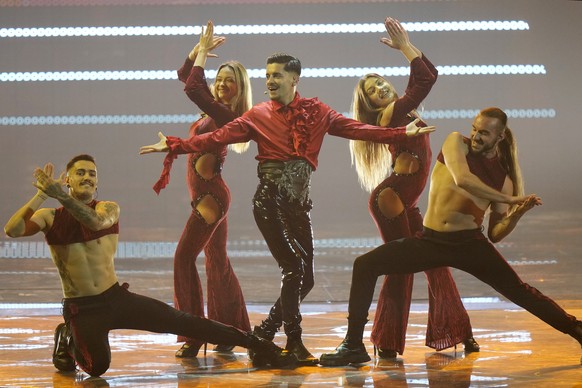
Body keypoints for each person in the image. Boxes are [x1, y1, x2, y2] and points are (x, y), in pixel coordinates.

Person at [139, 52, 434, 365]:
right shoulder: (258, 114)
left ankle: (263, 334)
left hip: (298, 206)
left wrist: (401, 133)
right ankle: (294, 342)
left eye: (276, 75)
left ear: (294, 79)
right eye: (267, 76)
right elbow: (216, 136)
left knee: (306, 279)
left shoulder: (318, 111)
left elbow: (357, 129)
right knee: (294, 268)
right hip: (269, 202)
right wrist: (175, 145)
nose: (269, 81)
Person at [319, 107, 582, 366]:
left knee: (521, 292)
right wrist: (511, 199)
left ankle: (577, 329)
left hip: (469, 245)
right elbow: (462, 179)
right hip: (431, 241)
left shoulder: (503, 179)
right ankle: (353, 345)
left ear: (500, 137)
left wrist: (515, 214)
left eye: (485, 134)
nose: (477, 136)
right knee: (364, 265)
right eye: (475, 129)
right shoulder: (457, 143)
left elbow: (496, 234)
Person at [3, 154, 294, 377]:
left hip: (114, 298)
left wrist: (61, 195)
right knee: (96, 368)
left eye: (93, 174)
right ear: (67, 179)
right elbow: (12, 230)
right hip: (82, 307)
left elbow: (93, 222)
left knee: (182, 320)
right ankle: (66, 336)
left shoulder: (107, 208)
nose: (88, 177)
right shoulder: (50, 216)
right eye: (80, 173)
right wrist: (42, 193)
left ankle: (258, 344)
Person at [348, 17, 477, 358]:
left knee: (437, 262)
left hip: (405, 202)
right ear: (372, 104)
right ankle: (386, 342)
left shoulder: (406, 112)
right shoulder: (390, 113)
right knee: (401, 267)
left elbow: (429, 74)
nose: (380, 88)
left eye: (381, 83)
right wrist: (406, 47)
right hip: (390, 198)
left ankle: (458, 330)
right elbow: (424, 78)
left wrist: (410, 48)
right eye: (372, 90)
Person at [152, 21, 252, 358]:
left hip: (211, 198)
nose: (222, 84)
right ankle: (232, 332)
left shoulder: (225, 114)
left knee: (183, 258)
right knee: (217, 262)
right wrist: (198, 51)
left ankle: (193, 334)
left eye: (230, 81)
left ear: (240, 89)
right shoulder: (214, 107)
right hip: (210, 195)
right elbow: (187, 75)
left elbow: (194, 85)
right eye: (220, 79)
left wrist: (204, 55)